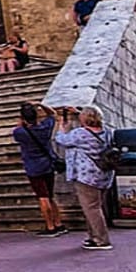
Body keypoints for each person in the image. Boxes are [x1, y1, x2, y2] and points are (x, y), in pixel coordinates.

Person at [54, 107, 113, 250]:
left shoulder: (80, 134)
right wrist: (80, 111)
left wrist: (61, 125)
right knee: (95, 207)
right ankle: (93, 237)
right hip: (104, 174)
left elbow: (61, 139)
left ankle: (101, 240)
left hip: (87, 175)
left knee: (91, 208)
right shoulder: (107, 132)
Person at [13, 103, 69, 236]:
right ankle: (59, 223)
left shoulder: (20, 132)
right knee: (50, 196)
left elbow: (17, 130)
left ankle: (50, 226)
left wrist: (22, 122)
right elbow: (53, 114)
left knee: (42, 197)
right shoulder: (45, 127)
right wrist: (39, 104)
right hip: (48, 164)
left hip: (33, 167)